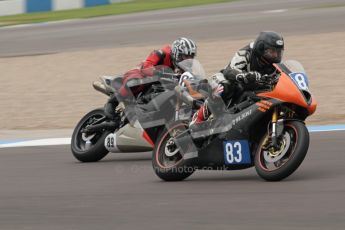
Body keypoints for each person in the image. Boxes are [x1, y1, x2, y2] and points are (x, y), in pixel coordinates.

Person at [190, 31, 284, 125]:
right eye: (272, 51)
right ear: (261, 48)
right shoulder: (246, 53)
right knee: (224, 87)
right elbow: (229, 71)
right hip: (225, 79)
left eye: (278, 52)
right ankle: (198, 118)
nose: (276, 55)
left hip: (251, 91)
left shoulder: (275, 65)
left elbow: (283, 77)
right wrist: (244, 76)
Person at [104, 37, 197, 119]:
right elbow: (146, 68)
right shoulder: (161, 53)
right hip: (138, 73)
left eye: (191, 57)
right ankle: (112, 102)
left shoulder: (184, 66)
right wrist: (160, 72)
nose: (188, 60)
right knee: (136, 82)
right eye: (185, 56)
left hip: (157, 84)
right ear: (177, 53)